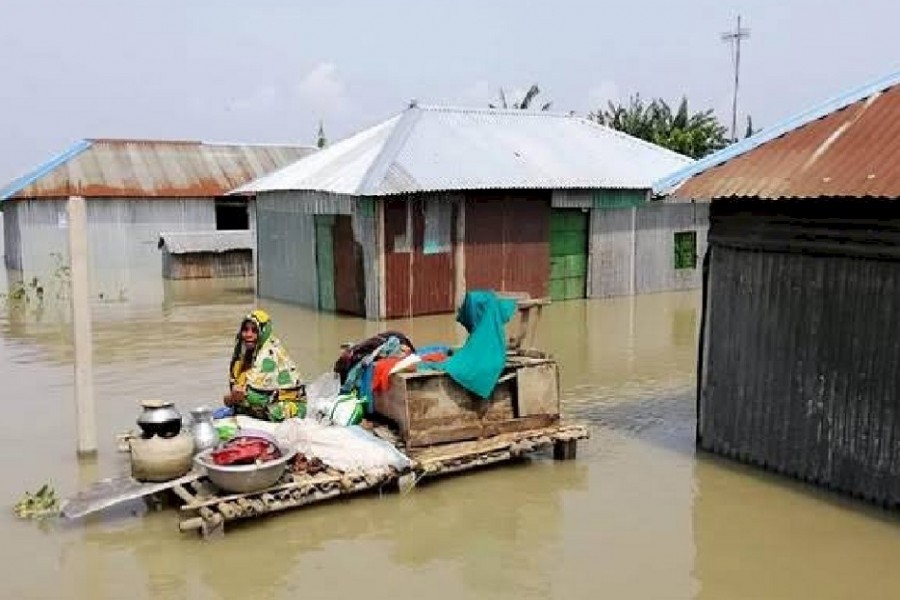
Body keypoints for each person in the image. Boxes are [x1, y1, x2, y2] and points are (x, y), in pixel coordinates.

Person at [224, 309, 305, 422]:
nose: (248, 335)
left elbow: (256, 398)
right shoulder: (240, 360)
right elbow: (232, 397)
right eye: (245, 330)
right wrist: (232, 397)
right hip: (254, 409)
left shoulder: (270, 356)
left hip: (283, 409)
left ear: (263, 332)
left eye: (254, 331)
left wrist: (234, 397)